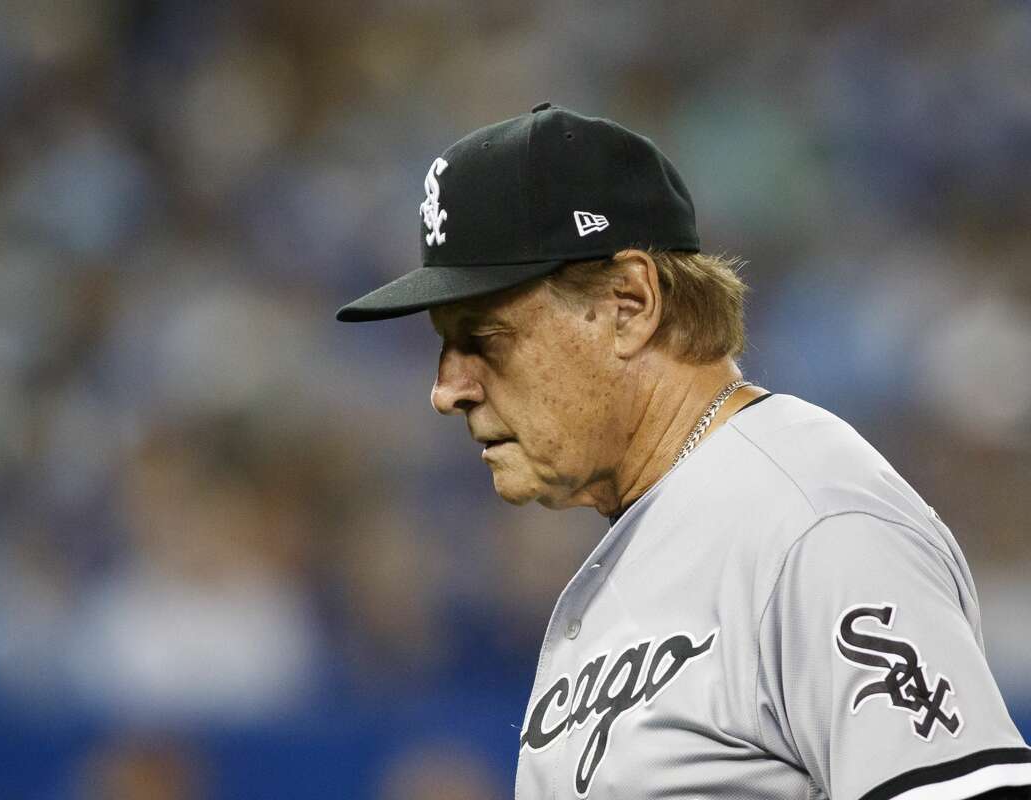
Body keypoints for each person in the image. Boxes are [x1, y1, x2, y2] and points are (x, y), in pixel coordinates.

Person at [336, 103, 1031, 799]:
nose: (447, 390)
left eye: (483, 338)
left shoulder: (812, 522)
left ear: (630, 304)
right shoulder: (663, 529)